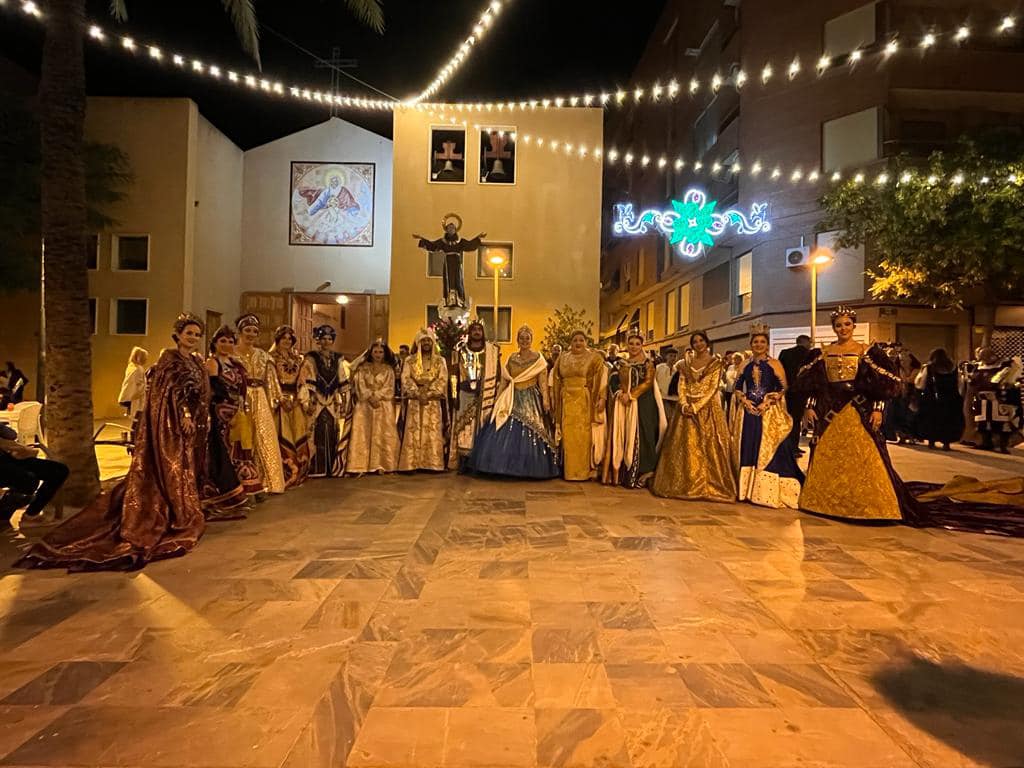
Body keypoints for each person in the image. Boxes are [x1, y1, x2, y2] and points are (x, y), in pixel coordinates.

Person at [795, 306, 1024, 535]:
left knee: (863, 457)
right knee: (829, 455)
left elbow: (884, 387)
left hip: (858, 412)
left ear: (853, 325)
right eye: (838, 325)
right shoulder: (822, 353)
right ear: (833, 328)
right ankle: (824, 501)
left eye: (847, 324)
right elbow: (814, 385)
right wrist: (809, 406)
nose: (843, 328)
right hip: (831, 415)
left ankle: (870, 505)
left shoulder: (869, 352)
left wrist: (878, 410)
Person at [17, 313, 211, 570]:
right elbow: (169, 393)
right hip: (172, 427)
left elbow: (200, 393)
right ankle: (172, 512)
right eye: (189, 333)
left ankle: (183, 507)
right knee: (169, 473)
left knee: (186, 471)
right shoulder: (169, 359)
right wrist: (184, 414)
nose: (193, 338)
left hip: (191, 430)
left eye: (197, 334)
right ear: (178, 334)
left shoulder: (196, 361)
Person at [651, 331, 736, 502]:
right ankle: (684, 483)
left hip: (707, 409)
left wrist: (696, 407)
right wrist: (683, 404)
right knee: (684, 446)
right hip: (685, 410)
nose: (698, 344)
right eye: (695, 341)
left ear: (707, 342)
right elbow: (682, 384)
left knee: (709, 447)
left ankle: (708, 484)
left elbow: (712, 388)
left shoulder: (715, 363)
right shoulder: (685, 364)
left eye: (701, 340)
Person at [466, 325, 559, 479]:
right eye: (521, 338)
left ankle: (530, 468)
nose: (524, 341)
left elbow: (543, 382)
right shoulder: (511, 358)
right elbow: (505, 381)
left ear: (531, 340)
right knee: (502, 428)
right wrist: (497, 399)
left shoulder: (538, 359)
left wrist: (545, 400)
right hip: (511, 398)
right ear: (517, 340)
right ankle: (502, 467)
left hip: (530, 398)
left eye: (527, 338)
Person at [731, 324, 804, 508]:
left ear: (767, 344)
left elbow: (783, 388)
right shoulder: (745, 364)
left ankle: (764, 492)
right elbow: (737, 386)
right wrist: (744, 400)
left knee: (769, 447)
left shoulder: (775, 363)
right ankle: (746, 490)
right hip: (748, 412)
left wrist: (768, 401)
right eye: (755, 342)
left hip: (768, 411)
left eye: (762, 342)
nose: (759, 344)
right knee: (748, 445)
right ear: (751, 344)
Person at [201, 326, 253, 517]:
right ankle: (220, 496)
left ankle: (239, 491)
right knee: (220, 451)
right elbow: (214, 390)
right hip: (219, 413)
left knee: (235, 451)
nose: (227, 345)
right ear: (214, 343)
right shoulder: (212, 363)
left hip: (236, 412)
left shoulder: (234, 364)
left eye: (231, 341)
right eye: (223, 341)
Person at [602, 334, 667, 488]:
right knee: (624, 434)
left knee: (644, 433)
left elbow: (648, 382)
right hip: (623, 404)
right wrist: (620, 393)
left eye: (637, 344)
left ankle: (643, 471)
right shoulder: (620, 363)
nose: (634, 346)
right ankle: (623, 473)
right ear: (627, 345)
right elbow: (613, 380)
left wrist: (631, 395)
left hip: (644, 403)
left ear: (642, 345)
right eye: (631, 343)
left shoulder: (647, 363)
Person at [234, 314, 286, 494]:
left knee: (264, 435)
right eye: (247, 330)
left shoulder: (264, 356)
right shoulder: (231, 354)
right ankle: (242, 481)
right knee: (242, 438)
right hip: (240, 397)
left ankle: (270, 482)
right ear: (240, 332)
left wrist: (276, 400)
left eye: (254, 331)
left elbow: (271, 380)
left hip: (261, 397)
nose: (251, 334)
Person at [552, 330, 607, 481]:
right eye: (575, 340)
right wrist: (554, 398)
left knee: (582, 436)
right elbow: (556, 378)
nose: (578, 343)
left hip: (584, 401)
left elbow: (602, 378)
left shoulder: (594, 357)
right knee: (568, 436)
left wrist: (602, 397)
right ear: (571, 342)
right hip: (566, 400)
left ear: (586, 342)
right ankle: (569, 472)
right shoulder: (563, 357)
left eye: (581, 340)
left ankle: (582, 472)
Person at [449, 320, 501, 471]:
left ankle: (479, 462)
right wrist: (454, 396)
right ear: (469, 333)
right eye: (474, 330)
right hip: (465, 393)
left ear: (483, 333)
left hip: (485, 394)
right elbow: (454, 375)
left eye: (479, 329)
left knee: (482, 427)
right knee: (464, 428)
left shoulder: (491, 352)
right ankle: (464, 461)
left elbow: (498, 376)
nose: (477, 332)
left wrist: (495, 395)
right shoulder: (459, 351)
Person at [301, 324, 353, 478]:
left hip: (331, 401)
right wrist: (310, 401)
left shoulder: (337, 359)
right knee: (315, 431)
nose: (326, 341)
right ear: (318, 340)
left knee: (331, 431)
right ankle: (315, 468)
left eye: (329, 339)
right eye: (323, 338)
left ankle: (330, 467)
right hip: (317, 400)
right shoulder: (311, 358)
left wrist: (344, 401)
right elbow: (309, 380)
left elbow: (342, 380)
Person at [399, 328, 448, 472]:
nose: (426, 343)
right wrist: (416, 392)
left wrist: (430, 393)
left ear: (433, 343)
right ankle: (411, 463)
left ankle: (432, 463)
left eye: (429, 340)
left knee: (431, 430)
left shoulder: (440, 361)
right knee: (413, 430)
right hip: (415, 400)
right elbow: (405, 378)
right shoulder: (410, 360)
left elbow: (442, 379)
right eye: (423, 340)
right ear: (418, 343)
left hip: (432, 401)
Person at [348, 340, 401, 474]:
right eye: (375, 352)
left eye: (381, 352)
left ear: (385, 354)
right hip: (365, 405)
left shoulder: (388, 370)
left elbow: (389, 387)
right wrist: (369, 396)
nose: (378, 354)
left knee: (382, 434)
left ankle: (381, 464)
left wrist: (377, 396)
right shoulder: (363, 368)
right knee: (363, 434)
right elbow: (359, 384)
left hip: (383, 405)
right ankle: (360, 465)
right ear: (370, 353)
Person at [0, 423, 69, 525]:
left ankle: (31, 514)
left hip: (10, 459)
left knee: (59, 470)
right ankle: (3, 515)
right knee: (28, 480)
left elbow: (12, 435)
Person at [412, 214, 486, 308]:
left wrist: (478, 238)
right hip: (448, 262)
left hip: (457, 262)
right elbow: (433, 245)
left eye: (453, 228)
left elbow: (470, 245)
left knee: (458, 279)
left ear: (456, 230)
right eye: (449, 228)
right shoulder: (442, 242)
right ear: (446, 230)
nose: (451, 230)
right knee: (448, 279)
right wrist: (421, 239)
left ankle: (459, 299)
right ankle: (448, 300)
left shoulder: (460, 241)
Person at [270, 325, 311, 488]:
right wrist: (280, 398)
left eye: (289, 338)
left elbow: (302, 381)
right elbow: (270, 381)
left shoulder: (298, 359)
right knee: (282, 432)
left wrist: (302, 397)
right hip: (280, 400)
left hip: (295, 401)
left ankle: (300, 471)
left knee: (298, 432)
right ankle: (284, 472)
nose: (287, 341)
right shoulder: (270, 358)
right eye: (283, 338)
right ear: (278, 340)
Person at [971, 350, 1022, 454]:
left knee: (1002, 424)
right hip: (982, 399)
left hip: (1000, 399)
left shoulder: (1005, 365)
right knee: (983, 422)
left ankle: (1002, 446)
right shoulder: (979, 366)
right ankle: (986, 443)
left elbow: (1010, 381)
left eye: (985, 356)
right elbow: (975, 380)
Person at [915, 348, 965, 452]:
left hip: (932, 400)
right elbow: (960, 384)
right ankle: (946, 442)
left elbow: (920, 384)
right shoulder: (954, 369)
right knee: (948, 421)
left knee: (931, 420)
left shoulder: (929, 368)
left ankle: (931, 441)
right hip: (951, 400)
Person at [778, 335, 812, 455]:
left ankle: (787, 447)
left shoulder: (785, 353)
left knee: (787, 419)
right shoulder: (808, 354)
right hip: (801, 392)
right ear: (806, 342)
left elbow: (780, 372)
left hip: (787, 392)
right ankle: (793, 447)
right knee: (796, 421)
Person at [882, 344, 922, 445]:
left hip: (912, 395)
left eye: (905, 360)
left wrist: (904, 380)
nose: (903, 362)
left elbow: (913, 381)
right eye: (901, 360)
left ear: (910, 360)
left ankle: (911, 436)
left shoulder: (916, 370)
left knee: (910, 417)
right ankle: (901, 435)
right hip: (900, 395)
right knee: (899, 415)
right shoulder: (898, 369)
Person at [117, 347, 149, 421]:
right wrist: (144, 388)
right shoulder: (138, 369)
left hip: (128, 395)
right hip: (135, 397)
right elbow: (138, 384)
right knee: (137, 416)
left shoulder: (130, 367)